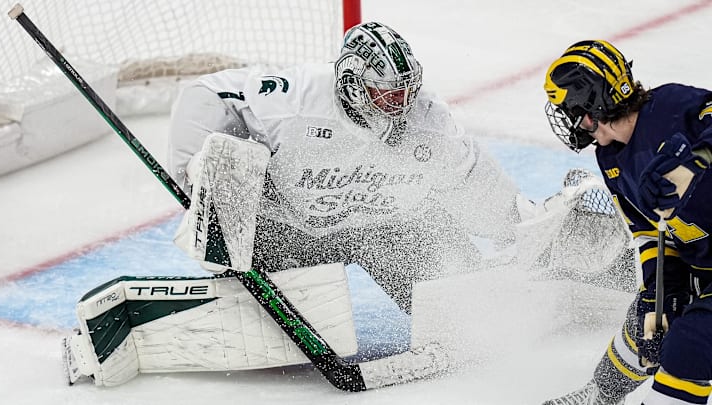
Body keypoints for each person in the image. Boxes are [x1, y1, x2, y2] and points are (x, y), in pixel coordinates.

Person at [167, 20, 524, 314]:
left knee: (464, 314)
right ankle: (243, 288)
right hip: (288, 231)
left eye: (406, 90)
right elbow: (208, 92)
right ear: (353, 83)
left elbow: (472, 179)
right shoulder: (295, 99)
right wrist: (193, 171)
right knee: (230, 163)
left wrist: (520, 227)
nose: (400, 105)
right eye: (387, 92)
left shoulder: (428, 119)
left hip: (377, 230)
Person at [541, 39, 712, 405]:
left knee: (690, 345)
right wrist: (659, 288)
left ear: (589, 105)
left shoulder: (672, 106)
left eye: (567, 107)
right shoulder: (610, 156)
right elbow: (648, 231)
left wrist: (692, 163)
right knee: (651, 323)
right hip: (702, 265)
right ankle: (601, 394)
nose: (567, 118)